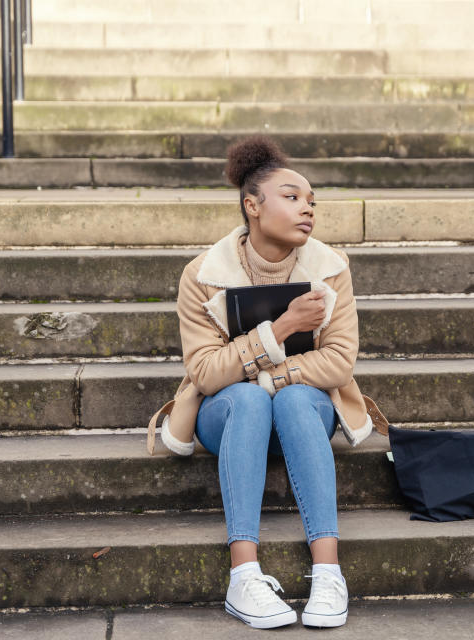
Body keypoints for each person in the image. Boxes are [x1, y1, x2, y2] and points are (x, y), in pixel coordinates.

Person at [146, 135, 388, 629]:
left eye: (312, 201)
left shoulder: (330, 268)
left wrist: (270, 376)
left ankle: (327, 573)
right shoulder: (203, 274)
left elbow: (339, 361)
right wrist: (280, 329)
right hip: (227, 415)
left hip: (307, 410)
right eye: (293, 197)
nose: (308, 209)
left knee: (297, 399)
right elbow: (206, 372)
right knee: (245, 401)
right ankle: (244, 576)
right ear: (252, 206)